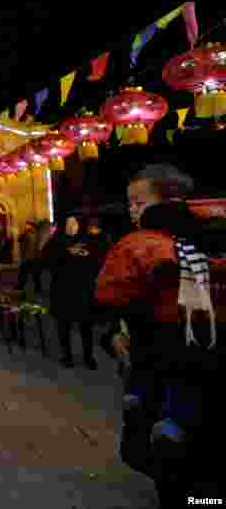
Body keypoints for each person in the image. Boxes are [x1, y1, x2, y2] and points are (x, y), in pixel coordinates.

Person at [93, 164, 225, 506]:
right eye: (130, 203)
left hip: (159, 360)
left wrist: (112, 334)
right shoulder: (207, 238)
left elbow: (109, 297)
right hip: (203, 358)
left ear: (169, 201)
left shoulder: (139, 245)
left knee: (169, 455)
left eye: (138, 203)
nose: (131, 210)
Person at [44, 215, 110, 370]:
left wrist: (86, 256)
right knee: (64, 325)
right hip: (62, 289)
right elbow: (47, 260)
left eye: (74, 223)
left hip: (82, 289)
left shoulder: (87, 240)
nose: (72, 226)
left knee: (86, 325)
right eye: (69, 223)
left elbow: (99, 259)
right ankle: (66, 356)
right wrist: (66, 254)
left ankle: (88, 357)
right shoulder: (56, 241)